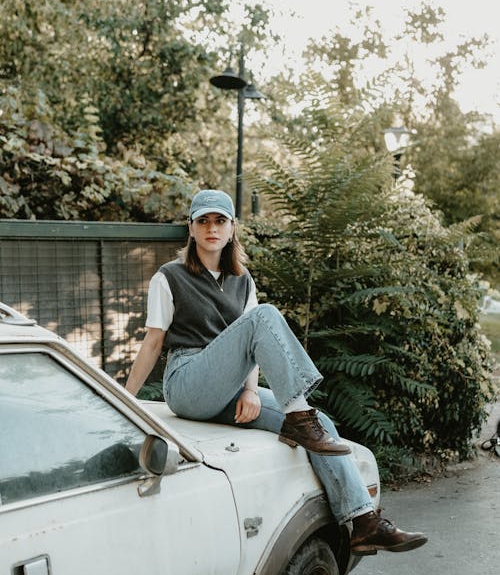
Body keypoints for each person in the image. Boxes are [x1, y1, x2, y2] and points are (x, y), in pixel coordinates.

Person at [126, 189, 427, 555]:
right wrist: (124, 400)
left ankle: (363, 522)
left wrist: (252, 391)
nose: (211, 228)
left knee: (323, 427)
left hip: (231, 388)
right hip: (188, 382)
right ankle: (298, 414)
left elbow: (250, 349)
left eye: (220, 220)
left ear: (232, 228)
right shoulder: (169, 277)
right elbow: (154, 342)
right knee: (264, 317)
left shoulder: (243, 279)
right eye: (203, 221)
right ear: (190, 228)